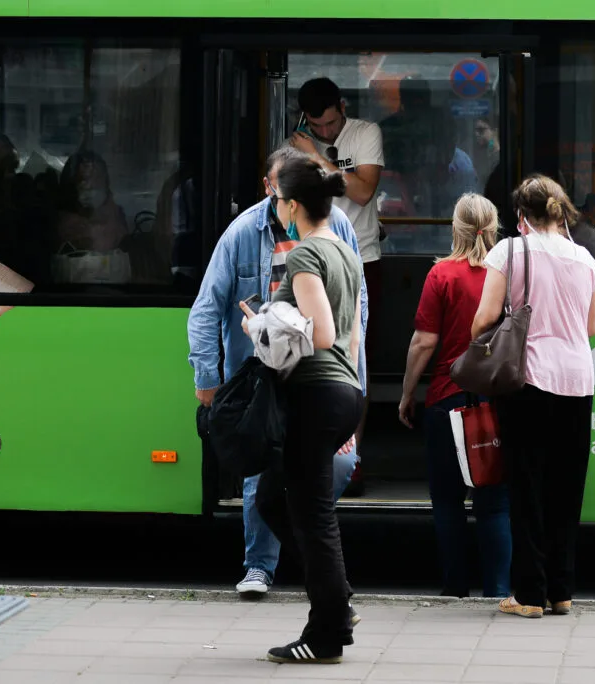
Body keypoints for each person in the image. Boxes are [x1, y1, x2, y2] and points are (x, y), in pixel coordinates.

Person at [187, 146, 368, 597]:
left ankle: (327, 583)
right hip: (272, 377)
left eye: (281, 192)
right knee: (267, 478)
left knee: (327, 473)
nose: (275, 198)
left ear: (292, 199)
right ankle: (266, 568)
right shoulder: (242, 232)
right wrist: (208, 376)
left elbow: (343, 324)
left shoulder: (324, 243)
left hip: (318, 381)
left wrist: (260, 327)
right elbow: (206, 308)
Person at [239, 155, 364, 664]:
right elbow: (352, 336)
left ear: (291, 205)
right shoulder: (346, 251)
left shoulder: (305, 254)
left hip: (316, 393)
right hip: (342, 390)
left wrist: (258, 326)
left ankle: (327, 632)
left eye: (277, 202)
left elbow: (323, 333)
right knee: (273, 497)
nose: (277, 210)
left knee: (313, 518)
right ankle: (336, 598)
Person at [472, 174, 595, 618]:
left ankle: (529, 594)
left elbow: (485, 317)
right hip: (578, 380)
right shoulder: (584, 257)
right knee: (567, 487)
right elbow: (592, 326)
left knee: (527, 486)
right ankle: (561, 591)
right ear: (560, 212)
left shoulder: (509, 251)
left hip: (529, 378)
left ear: (520, 215)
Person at [398, 193, 511, 599]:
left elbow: (423, 342)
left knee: (447, 501)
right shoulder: (507, 274)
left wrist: (407, 393)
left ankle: (455, 586)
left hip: (447, 399)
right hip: (495, 400)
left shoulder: (441, 275)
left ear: (455, 228)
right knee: (494, 503)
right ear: (494, 228)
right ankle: (498, 590)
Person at [288, 77, 383, 486]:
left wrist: (316, 158)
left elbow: (362, 191)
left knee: (356, 356)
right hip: (311, 255)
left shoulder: (364, 133)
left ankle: (352, 456)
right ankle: (316, 452)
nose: (325, 132)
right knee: (310, 353)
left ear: (342, 108)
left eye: (330, 123)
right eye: (317, 126)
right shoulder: (296, 143)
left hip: (360, 256)